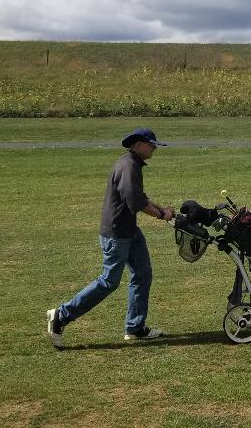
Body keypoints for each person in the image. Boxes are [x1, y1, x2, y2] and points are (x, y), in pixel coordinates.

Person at [46, 127, 176, 347]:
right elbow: (135, 201)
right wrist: (162, 215)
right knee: (109, 281)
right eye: (151, 145)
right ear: (138, 144)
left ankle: (135, 327)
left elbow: (140, 197)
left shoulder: (132, 164)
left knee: (142, 274)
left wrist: (162, 209)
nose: (154, 148)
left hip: (129, 231)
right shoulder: (128, 166)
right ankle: (61, 315)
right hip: (117, 234)